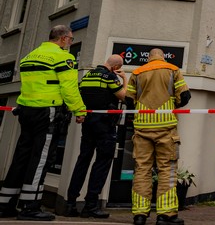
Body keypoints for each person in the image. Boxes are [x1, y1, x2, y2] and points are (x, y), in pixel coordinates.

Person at [0, 25, 87, 221]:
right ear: (63, 39)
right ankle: (30, 206)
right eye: (71, 39)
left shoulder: (30, 56)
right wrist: (79, 111)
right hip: (48, 110)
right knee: (41, 157)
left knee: (22, 155)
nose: (71, 43)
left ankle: (5, 203)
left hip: (26, 110)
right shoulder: (64, 57)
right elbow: (69, 88)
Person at [126, 48, 191, 225]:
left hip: (142, 129)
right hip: (165, 128)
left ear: (149, 58)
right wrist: (172, 103)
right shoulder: (173, 70)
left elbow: (129, 100)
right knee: (167, 171)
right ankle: (166, 215)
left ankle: (139, 215)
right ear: (162, 57)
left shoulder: (137, 72)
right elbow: (185, 96)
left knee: (142, 170)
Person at [65, 54, 127, 218]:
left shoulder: (87, 76)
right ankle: (90, 206)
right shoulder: (110, 76)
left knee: (83, 160)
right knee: (102, 163)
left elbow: (78, 95)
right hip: (104, 125)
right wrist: (124, 79)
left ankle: (70, 203)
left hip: (88, 123)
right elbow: (124, 96)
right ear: (115, 68)